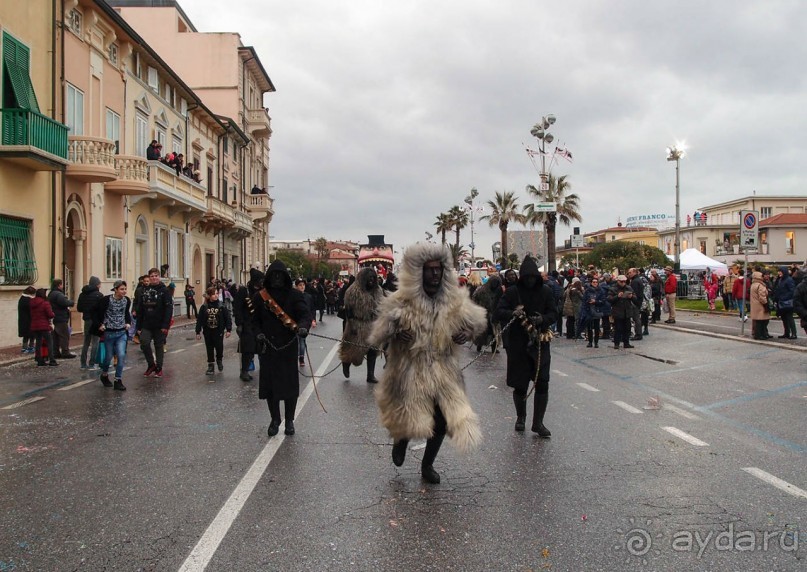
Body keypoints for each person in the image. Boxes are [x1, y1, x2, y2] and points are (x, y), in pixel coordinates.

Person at [369, 243, 487, 484]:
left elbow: (478, 323)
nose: (435, 274)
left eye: (438, 269)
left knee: (442, 420)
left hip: (444, 370)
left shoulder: (454, 300)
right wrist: (395, 335)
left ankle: (427, 465)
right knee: (408, 414)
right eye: (429, 269)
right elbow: (378, 334)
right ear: (418, 271)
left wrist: (466, 333)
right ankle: (401, 441)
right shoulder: (401, 301)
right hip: (409, 369)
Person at [493, 256, 558, 436]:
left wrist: (543, 319)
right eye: (527, 277)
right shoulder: (512, 292)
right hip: (518, 344)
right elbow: (498, 311)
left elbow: (554, 313)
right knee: (520, 384)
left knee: (542, 382)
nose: (530, 281)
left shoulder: (546, 291)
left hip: (540, 343)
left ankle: (538, 423)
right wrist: (513, 313)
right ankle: (521, 417)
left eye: (533, 277)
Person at [251, 260, 312, 437]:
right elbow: (254, 321)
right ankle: (275, 419)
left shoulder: (295, 295)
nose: (277, 279)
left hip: (288, 347)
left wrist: (303, 327)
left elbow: (305, 315)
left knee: (289, 387)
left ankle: (290, 420)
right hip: (268, 348)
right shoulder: (260, 297)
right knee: (271, 388)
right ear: (269, 277)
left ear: (285, 277)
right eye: (274, 275)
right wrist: (258, 333)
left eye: (280, 275)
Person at [339, 267, 384, 383]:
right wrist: (352, 325)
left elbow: (382, 307)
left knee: (373, 350)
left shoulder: (378, 291)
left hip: (373, 324)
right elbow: (348, 311)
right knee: (353, 351)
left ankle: (370, 375)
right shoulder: (353, 291)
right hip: (357, 324)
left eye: (373, 278)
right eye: (369, 278)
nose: (371, 280)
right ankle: (346, 363)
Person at [93, 280, 132, 390]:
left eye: (125, 289)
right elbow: (95, 312)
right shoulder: (106, 300)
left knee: (121, 355)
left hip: (121, 333)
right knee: (108, 357)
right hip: (109, 332)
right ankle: (104, 374)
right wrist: (100, 325)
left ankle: (118, 380)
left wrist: (128, 323)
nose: (124, 291)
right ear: (115, 289)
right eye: (121, 289)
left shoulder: (126, 300)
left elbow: (126, 313)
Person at [135, 267, 173, 377]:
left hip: (159, 324)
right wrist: (138, 325)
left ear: (159, 277)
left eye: (156, 276)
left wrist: (165, 325)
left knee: (159, 345)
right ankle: (151, 364)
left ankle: (159, 367)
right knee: (144, 342)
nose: (154, 278)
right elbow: (140, 308)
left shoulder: (164, 290)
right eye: (152, 276)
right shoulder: (144, 290)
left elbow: (168, 308)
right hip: (146, 323)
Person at [233, 268, 263, 381]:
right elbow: (237, 308)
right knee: (248, 349)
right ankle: (244, 371)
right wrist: (239, 324)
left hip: (260, 324)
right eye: (260, 280)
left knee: (262, 347)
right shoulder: (244, 291)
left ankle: (265, 369)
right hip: (247, 324)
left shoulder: (263, 292)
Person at [196, 287, 232, 374]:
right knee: (209, 348)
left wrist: (228, 329)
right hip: (208, 331)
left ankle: (219, 360)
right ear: (209, 296)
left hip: (218, 331)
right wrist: (198, 331)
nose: (216, 295)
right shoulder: (204, 307)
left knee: (219, 347)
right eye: (213, 294)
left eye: (217, 293)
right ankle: (211, 365)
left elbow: (227, 318)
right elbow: (200, 320)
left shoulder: (221, 306)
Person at [76, 276, 104, 369]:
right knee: (95, 342)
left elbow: (79, 308)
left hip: (87, 319)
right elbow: (101, 310)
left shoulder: (82, 294)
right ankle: (92, 363)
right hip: (96, 321)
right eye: (99, 284)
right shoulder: (99, 295)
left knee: (86, 342)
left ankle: (83, 363)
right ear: (97, 284)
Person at [472, 274, 503, 352]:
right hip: (483, 313)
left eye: (496, 282)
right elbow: (474, 299)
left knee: (494, 331)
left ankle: (494, 347)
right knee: (482, 331)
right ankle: (479, 344)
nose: (494, 284)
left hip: (494, 314)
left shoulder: (499, 291)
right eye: (493, 282)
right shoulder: (482, 290)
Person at [48, 279, 75, 358]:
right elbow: (64, 302)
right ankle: (65, 352)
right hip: (60, 317)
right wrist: (71, 302)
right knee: (64, 336)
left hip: (55, 317)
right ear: (59, 285)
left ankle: (55, 352)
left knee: (55, 336)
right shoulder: (58, 294)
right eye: (62, 284)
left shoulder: (51, 293)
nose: (62, 286)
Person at [30, 288, 57, 366]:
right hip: (44, 325)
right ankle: (52, 360)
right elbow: (50, 314)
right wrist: (53, 314)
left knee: (38, 343)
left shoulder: (32, 303)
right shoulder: (45, 303)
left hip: (35, 325)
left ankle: (39, 360)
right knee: (49, 342)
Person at [608, 275, 635, 350]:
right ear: (618, 281)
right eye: (621, 281)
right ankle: (616, 343)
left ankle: (626, 343)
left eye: (624, 281)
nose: (623, 283)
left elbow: (635, 298)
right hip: (618, 311)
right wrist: (617, 296)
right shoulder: (613, 288)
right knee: (618, 328)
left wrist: (631, 297)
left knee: (627, 328)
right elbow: (609, 299)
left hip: (627, 311)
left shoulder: (629, 288)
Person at [294, 279, 317, 367]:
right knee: (295, 340)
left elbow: (312, 309)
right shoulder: (293, 296)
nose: (302, 287)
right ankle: (294, 357)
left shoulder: (308, 296)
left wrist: (313, 320)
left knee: (302, 340)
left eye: (303, 285)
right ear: (296, 286)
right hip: (295, 320)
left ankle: (301, 358)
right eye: (300, 285)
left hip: (305, 321)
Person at [581, 276, 606, 348]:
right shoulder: (587, 291)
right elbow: (584, 300)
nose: (595, 283)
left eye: (596, 282)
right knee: (589, 327)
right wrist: (588, 301)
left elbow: (603, 301)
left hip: (597, 310)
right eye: (593, 282)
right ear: (591, 283)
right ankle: (590, 341)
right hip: (589, 311)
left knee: (597, 327)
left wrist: (596, 301)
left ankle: (596, 342)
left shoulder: (601, 291)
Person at [773, 266, 797, 339]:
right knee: (784, 318)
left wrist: (784, 297)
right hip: (781, 302)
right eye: (779, 271)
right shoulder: (780, 280)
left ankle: (794, 333)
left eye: (780, 271)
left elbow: (792, 291)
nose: (779, 273)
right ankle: (786, 333)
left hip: (788, 302)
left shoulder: (789, 280)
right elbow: (778, 290)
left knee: (789, 317)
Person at [749, 271, 771, 340]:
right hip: (760, 305)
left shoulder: (753, 284)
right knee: (762, 321)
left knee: (758, 321)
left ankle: (758, 334)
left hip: (755, 305)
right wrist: (766, 304)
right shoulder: (760, 285)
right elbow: (762, 297)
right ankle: (761, 335)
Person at [17, 286, 36, 354]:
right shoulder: (27, 300)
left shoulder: (22, 299)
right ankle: (26, 347)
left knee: (29, 334)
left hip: (25, 319)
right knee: (27, 334)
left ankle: (29, 346)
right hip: (27, 320)